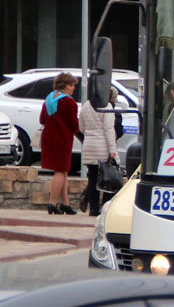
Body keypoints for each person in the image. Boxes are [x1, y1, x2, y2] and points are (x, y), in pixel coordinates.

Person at [38, 72, 80, 215]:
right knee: (61, 170)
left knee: (63, 170)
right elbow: (74, 124)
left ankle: (66, 204)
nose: (73, 88)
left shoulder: (49, 98)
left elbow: (42, 120)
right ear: (64, 85)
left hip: (48, 138)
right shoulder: (69, 102)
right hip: (63, 139)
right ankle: (52, 202)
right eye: (71, 85)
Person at [78, 86, 119, 217]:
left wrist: (90, 135)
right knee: (108, 180)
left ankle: (93, 209)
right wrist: (113, 150)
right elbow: (108, 130)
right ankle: (105, 208)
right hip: (103, 147)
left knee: (93, 179)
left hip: (89, 145)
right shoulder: (106, 107)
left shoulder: (85, 106)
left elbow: (81, 127)